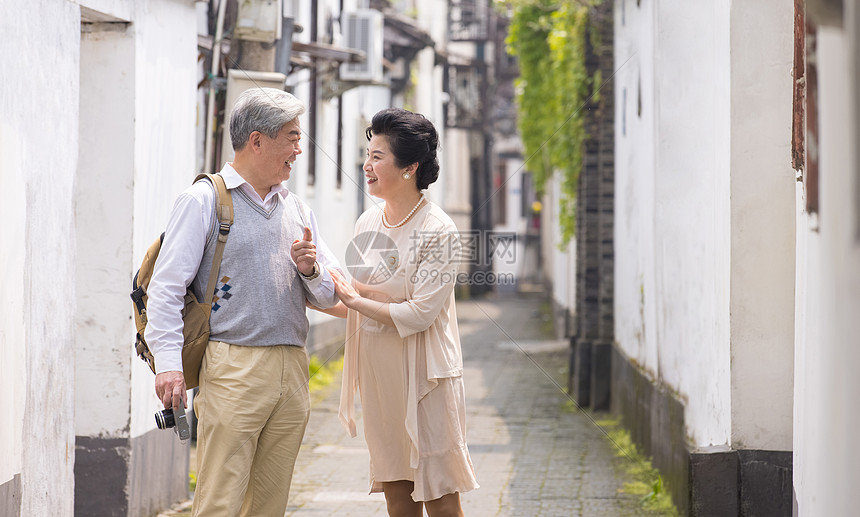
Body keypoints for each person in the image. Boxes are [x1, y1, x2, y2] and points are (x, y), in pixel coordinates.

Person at [145, 88, 340, 516]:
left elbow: (329, 294)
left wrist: (311, 270)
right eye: (291, 136)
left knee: (269, 505)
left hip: (292, 366)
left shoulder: (298, 210)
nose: (298, 148)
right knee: (220, 501)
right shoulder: (204, 200)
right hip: (233, 366)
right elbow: (166, 287)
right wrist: (169, 365)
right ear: (257, 140)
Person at [329, 108, 479, 516]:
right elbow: (359, 303)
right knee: (398, 495)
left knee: (442, 499)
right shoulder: (367, 223)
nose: (367, 164)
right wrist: (313, 279)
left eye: (378, 156)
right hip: (382, 377)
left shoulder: (439, 230)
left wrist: (354, 299)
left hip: (426, 377)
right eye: (368, 153)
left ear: (410, 167)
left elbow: (419, 315)